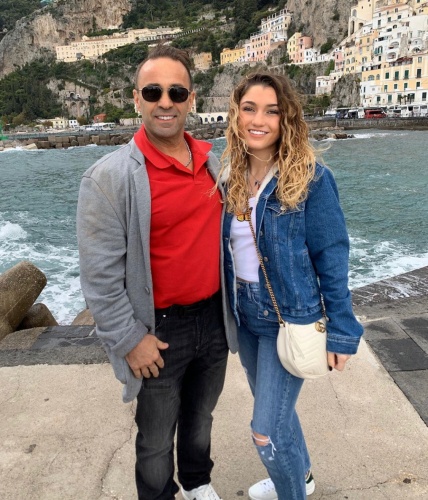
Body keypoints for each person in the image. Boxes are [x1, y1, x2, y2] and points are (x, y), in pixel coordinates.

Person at [76, 45, 237, 500]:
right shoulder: (107, 179)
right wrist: (129, 340)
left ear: (190, 99)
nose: (165, 101)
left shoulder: (212, 163)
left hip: (213, 319)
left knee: (201, 417)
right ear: (136, 99)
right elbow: (99, 277)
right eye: (153, 91)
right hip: (158, 329)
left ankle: (198, 483)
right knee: (153, 436)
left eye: (175, 91)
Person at [219, 72, 364, 500]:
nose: (258, 119)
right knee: (280, 416)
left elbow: (333, 257)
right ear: (236, 115)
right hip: (245, 316)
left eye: (271, 111)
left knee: (266, 432)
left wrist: (342, 332)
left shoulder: (312, 180)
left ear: (287, 119)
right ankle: (300, 477)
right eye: (249, 109)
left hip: (289, 318)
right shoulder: (230, 176)